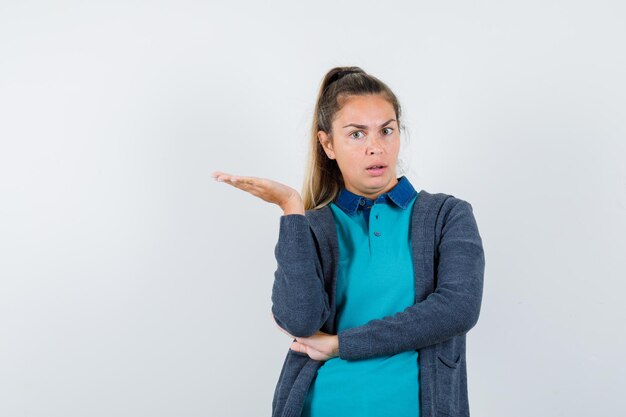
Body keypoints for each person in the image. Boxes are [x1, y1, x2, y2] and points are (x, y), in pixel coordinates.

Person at [212, 66, 485, 417]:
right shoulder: (314, 226)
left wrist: (342, 345)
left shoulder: (447, 215)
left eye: (386, 130)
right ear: (328, 144)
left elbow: (457, 309)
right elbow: (299, 320)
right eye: (356, 135)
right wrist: (292, 210)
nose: (376, 147)